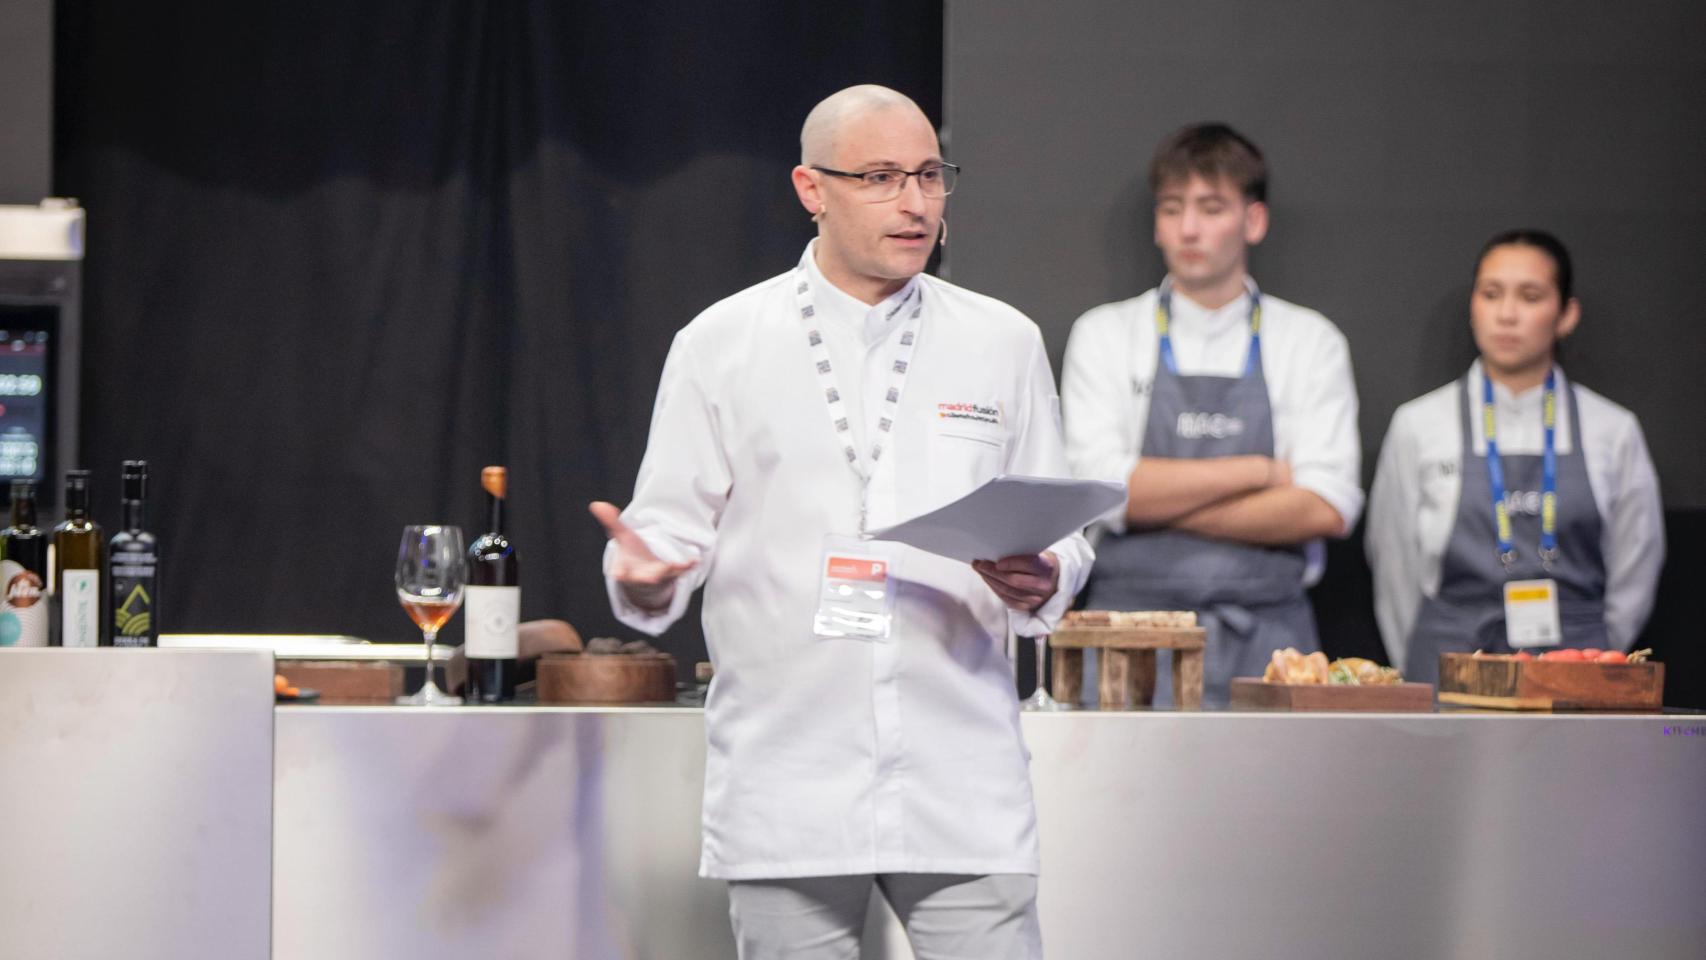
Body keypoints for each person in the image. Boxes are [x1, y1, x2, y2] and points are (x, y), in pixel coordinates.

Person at [589, 84, 1090, 960]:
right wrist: (646, 572)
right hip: (790, 766)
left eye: (932, 175)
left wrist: (1049, 570)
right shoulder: (723, 341)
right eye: (882, 177)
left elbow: (1059, 525)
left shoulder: (1001, 339)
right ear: (810, 189)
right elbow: (666, 529)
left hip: (958, 764)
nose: (915, 203)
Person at [1060, 123, 1362, 707]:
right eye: (1172, 209)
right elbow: (1098, 489)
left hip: (1272, 644)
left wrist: (1157, 504)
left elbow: (1326, 504)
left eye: (1211, 207)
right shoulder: (1104, 334)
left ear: (1253, 220)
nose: (1188, 228)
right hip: (1126, 640)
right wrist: (1260, 472)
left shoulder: (1309, 341)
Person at [1366, 229, 1664, 683]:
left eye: (1530, 296)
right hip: (1448, 665)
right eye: (1491, 294)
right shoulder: (1420, 425)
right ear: (1473, 307)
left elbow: (1636, 565)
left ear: (1566, 314)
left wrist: (1594, 653)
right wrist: (1422, 656)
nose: (1507, 314)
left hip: (1575, 668)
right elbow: (1394, 567)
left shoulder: (1613, 430)